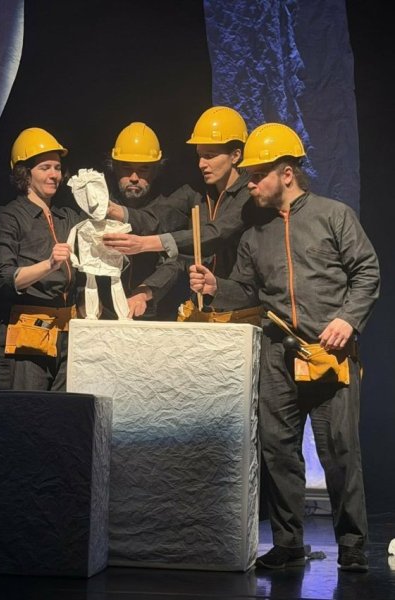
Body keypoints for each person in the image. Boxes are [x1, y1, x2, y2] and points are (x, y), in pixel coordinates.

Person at [189, 123, 380, 571]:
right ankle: (289, 543)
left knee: (341, 451)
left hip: (330, 352)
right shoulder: (256, 234)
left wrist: (347, 319)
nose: (250, 184)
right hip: (278, 354)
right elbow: (247, 292)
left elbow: (367, 272)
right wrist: (216, 286)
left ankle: (352, 545)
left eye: (258, 176)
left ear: (287, 173)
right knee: (278, 450)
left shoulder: (334, 216)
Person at [103, 106, 260, 323]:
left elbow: (215, 234)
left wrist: (145, 243)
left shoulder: (250, 193)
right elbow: (159, 218)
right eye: (200, 156)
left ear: (235, 155)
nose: (201, 164)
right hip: (200, 314)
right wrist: (116, 211)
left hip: (240, 316)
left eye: (210, 156)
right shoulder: (196, 192)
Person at [0, 127, 87, 391]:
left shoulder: (68, 217)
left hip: (68, 333)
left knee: (64, 410)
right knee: (29, 410)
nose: (54, 174)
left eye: (57, 167)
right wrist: (49, 265)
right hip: (28, 333)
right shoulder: (9, 216)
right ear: (25, 174)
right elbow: (4, 278)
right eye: (45, 168)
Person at [98, 121, 188, 320]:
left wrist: (145, 291)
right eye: (126, 168)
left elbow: (175, 261)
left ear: (156, 170)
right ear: (114, 167)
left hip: (155, 315)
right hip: (105, 314)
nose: (134, 177)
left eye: (143, 169)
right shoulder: (100, 206)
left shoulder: (169, 208)